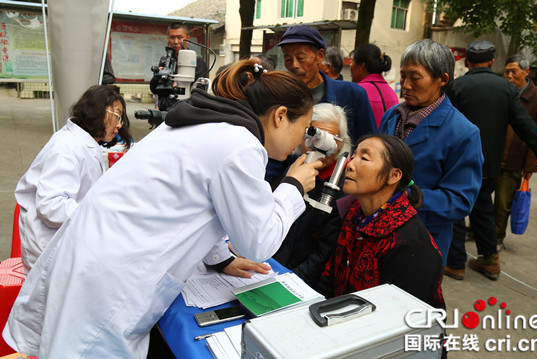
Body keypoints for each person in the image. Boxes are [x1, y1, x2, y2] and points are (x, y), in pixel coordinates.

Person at [3, 60, 323, 358]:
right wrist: (292, 188)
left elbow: (198, 207)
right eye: (304, 127)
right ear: (281, 116)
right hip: (110, 279)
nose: (300, 142)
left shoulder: (201, 123)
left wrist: (220, 258)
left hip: (92, 257)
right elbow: (257, 242)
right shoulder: (241, 145)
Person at [445, 41, 537, 280]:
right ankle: (490, 260)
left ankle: (456, 264)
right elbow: (525, 125)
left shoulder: (457, 87)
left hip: (459, 163)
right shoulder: (506, 88)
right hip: (490, 166)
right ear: (492, 62)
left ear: (467, 62)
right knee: (483, 209)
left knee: (456, 211)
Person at [377, 39, 484, 265]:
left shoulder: (463, 133)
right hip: (376, 229)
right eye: (404, 76)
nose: (405, 85)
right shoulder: (391, 116)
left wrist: (417, 197)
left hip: (421, 239)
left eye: (415, 77)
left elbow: (461, 200)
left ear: (442, 79)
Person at [317, 134, 445, 310]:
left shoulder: (410, 245)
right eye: (353, 156)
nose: (350, 165)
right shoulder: (355, 212)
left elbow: (397, 319)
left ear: (393, 175)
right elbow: (331, 274)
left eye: (364, 158)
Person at [14, 85, 132, 273]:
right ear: (98, 112)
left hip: (64, 241)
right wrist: (98, 213)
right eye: (117, 116)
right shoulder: (67, 148)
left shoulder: (82, 143)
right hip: (49, 249)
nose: (119, 125)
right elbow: (51, 206)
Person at [273, 103, 352, 289]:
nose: (320, 146)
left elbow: (323, 256)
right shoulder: (292, 168)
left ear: (341, 143)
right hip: (271, 265)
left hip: (301, 282)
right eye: (313, 135)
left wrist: (288, 282)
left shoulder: (343, 189)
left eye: (331, 138)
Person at [278, 25, 376, 142]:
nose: (294, 65)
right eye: (288, 59)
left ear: (320, 55)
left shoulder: (352, 94)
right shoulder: (280, 98)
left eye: (301, 58)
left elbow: (368, 142)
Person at [494, 55, 537, 250]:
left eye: (513, 72)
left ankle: (497, 237)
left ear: (526, 72)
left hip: (515, 159)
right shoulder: (502, 92)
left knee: (503, 203)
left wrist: (530, 167)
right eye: (506, 71)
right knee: (481, 198)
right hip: (493, 156)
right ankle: (475, 230)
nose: (509, 75)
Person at [149, 22, 209, 110]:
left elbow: (200, 92)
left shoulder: (197, 61)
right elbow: (154, 89)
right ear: (168, 38)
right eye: (172, 37)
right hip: (165, 110)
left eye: (180, 37)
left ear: (187, 39)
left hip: (186, 110)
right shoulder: (165, 59)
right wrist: (157, 78)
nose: (176, 42)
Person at [350, 43, 399, 128]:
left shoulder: (356, 91)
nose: (350, 66)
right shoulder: (392, 94)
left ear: (362, 66)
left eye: (352, 61)